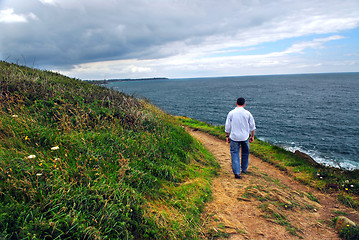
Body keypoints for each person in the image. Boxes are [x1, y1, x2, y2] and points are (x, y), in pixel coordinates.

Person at [225, 97, 256, 179]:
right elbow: (252, 127)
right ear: (244, 104)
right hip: (245, 137)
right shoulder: (248, 113)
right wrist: (252, 136)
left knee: (234, 153)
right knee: (245, 153)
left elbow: (227, 126)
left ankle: (237, 173)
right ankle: (244, 169)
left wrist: (227, 136)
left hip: (234, 137)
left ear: (236, 103)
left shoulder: (231, 113)